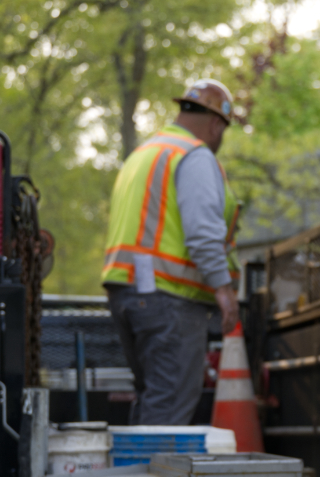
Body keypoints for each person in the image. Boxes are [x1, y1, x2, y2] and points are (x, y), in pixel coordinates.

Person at [102, 78, 242, 425]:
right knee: (168, 410)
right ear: (215, 123)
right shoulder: (193, 156)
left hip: (127, 294)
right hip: (170, 300)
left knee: (153, 401)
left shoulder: (143, 155)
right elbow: (203, 233)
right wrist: (223, 290)